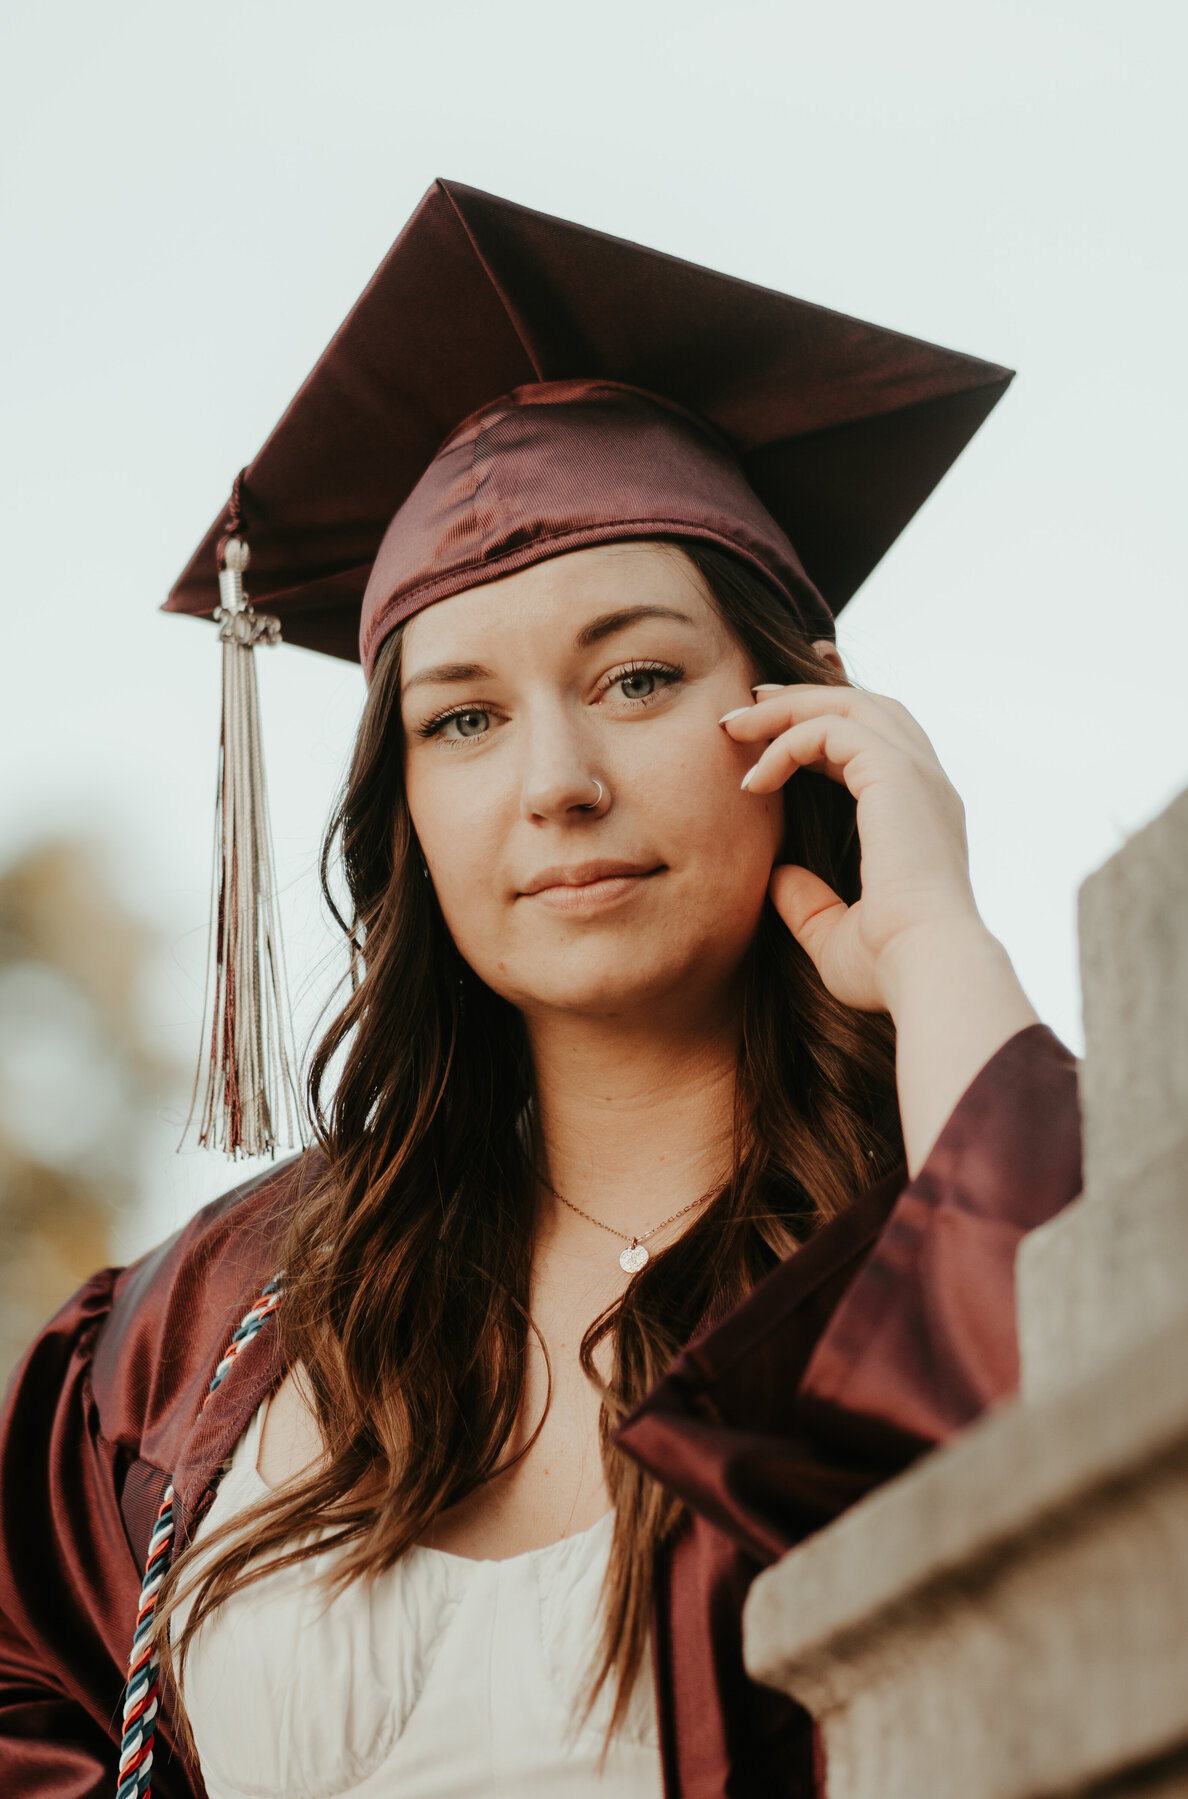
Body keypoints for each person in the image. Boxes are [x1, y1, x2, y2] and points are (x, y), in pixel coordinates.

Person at [0, 181, 1082, 1799]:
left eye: (637, 677)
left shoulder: (928, 1228)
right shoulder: (200, 1343)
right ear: (406, 808)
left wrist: (938, 952)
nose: (555, 783)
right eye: (463, 719)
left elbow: (1116, 1488)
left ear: (801, 722)